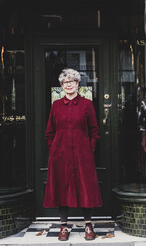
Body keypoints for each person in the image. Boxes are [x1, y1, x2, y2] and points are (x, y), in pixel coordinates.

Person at [44, 68, 102, 241]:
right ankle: (63, 227)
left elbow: (94, 131)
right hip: (60, 156)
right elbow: (49, 132)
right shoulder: (56, 105)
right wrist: (53, 148)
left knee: (86, 189)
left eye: (72, 82)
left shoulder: (86, 105)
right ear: (61, 86)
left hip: (83, 155)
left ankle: (88, 225)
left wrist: (89, 148)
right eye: (65, 82)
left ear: (77, 84)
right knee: (61, 188)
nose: (68, 85)